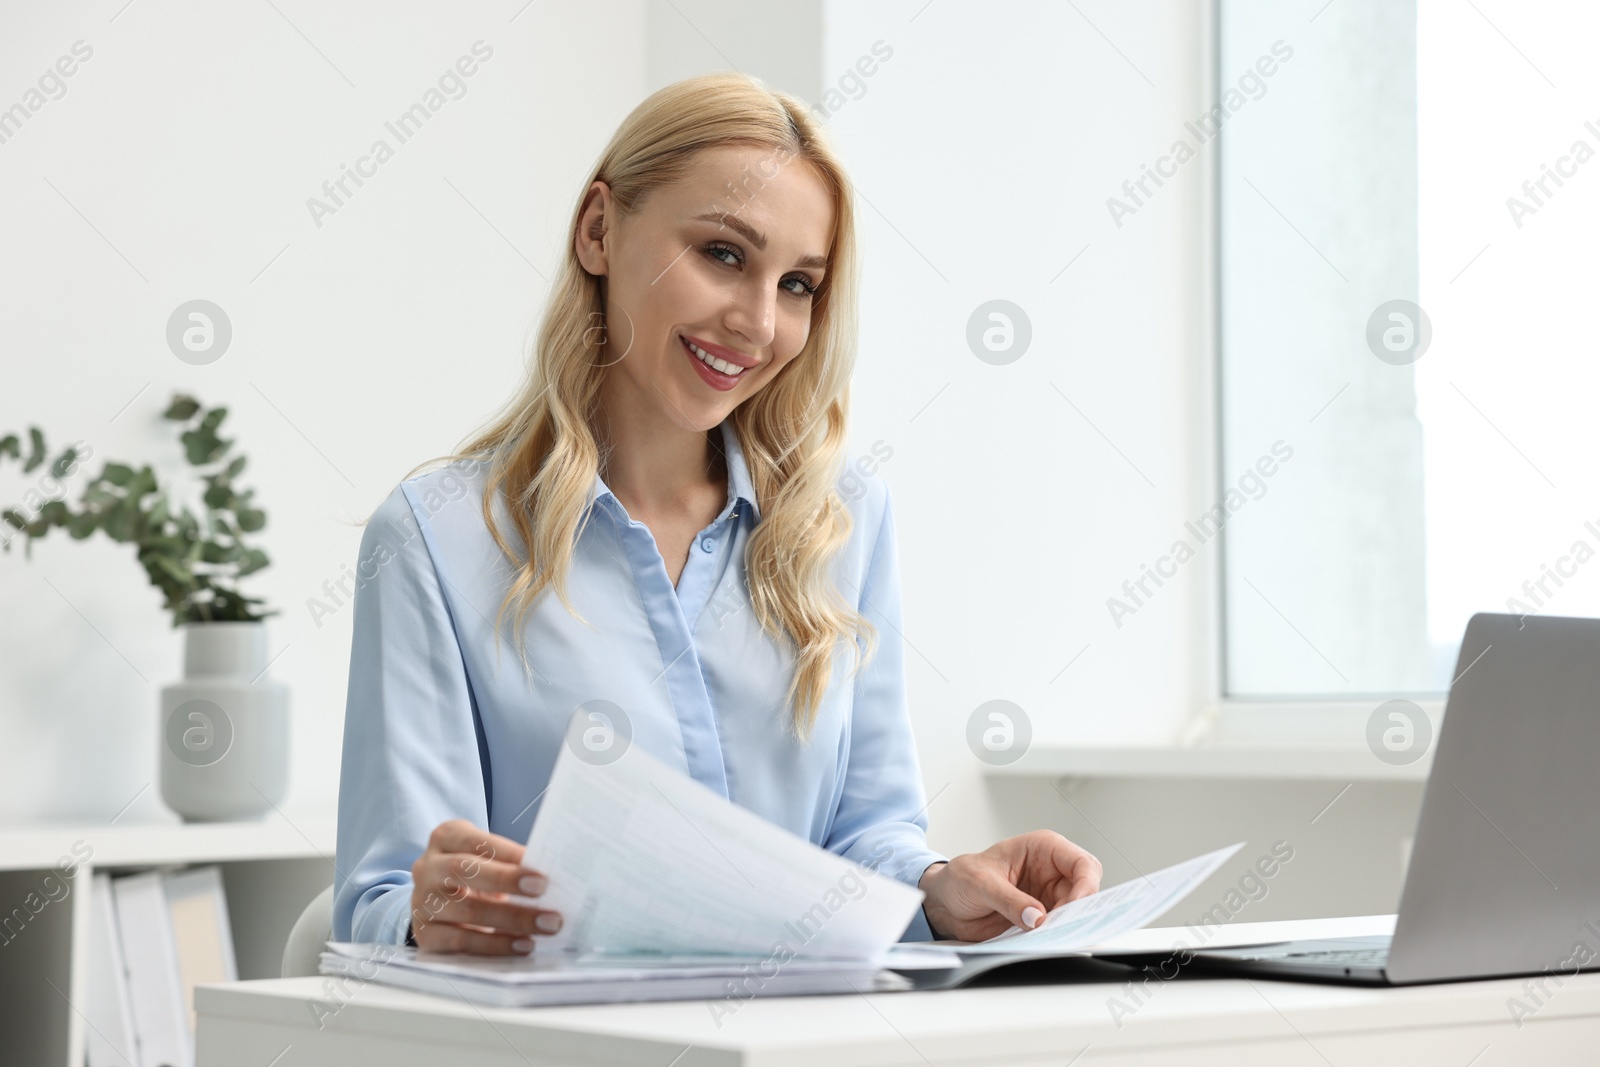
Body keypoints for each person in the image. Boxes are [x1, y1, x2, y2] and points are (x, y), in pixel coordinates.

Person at [332, 72, 1102, 955]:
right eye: (724, 255)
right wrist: (429, 913)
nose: (758, 323)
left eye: (800, 285)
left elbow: (866, 840)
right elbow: (382, 900)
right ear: (598, 232)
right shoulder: (438, 535)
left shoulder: (842, 522)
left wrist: (937, 890)